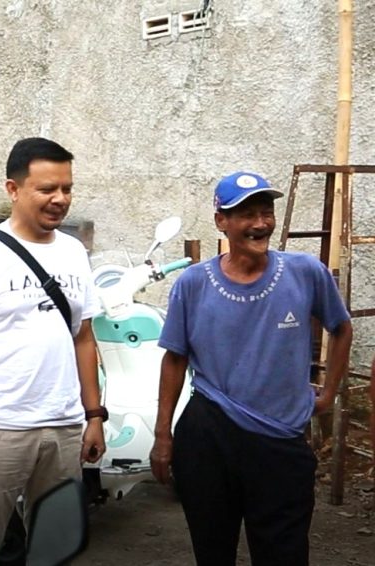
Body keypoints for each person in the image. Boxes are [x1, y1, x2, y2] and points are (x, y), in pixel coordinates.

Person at [150, 171, 353, 566]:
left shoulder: (305, 272)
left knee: (284, 553)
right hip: (209, 433)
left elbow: (341, 327)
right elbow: (174, 358)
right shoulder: (193, 284)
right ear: (221, 221)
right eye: (246, 214)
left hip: (280, 438)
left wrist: (328, 393)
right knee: (212, 549)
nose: (260, 223)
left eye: (266, 212)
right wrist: (163, 435)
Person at [0, 137, 106, 565]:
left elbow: (84, 337)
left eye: (66, 188)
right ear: (13, 189)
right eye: (47, 189)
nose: (60, 199)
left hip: (63, 426)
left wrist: (94, 416)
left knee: (56, 546)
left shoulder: (74, 252)